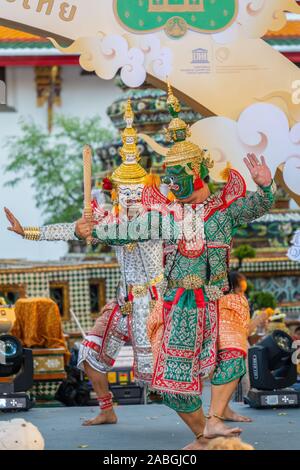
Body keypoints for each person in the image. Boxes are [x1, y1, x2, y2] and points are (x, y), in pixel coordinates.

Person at [77, 84, 276, 449]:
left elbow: (258, 206)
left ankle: (215, 421)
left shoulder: (224, 210)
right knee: (170, 387)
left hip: (218, 300)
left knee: (234, 357)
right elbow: (125, 231)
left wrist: (265, 188)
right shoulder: (165, 216)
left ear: (197, 170)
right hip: (178, 307)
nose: (171, 184)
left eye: (177, 176)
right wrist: (92, 230)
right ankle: (203, 433)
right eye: (168, 178)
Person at [5, 100, 165, 426]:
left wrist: (98, 228)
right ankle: (107, 408)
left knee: (158, 379)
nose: (130, 198)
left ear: (146, 190)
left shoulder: (155, 219)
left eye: (136, 192)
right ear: (117, 191)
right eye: (125, 192)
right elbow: (72, 229)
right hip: (124, 301)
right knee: (89, 354)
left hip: (154, 304)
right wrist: (28, 232)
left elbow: (121, 234)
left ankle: (206, 424)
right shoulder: (111, 217)